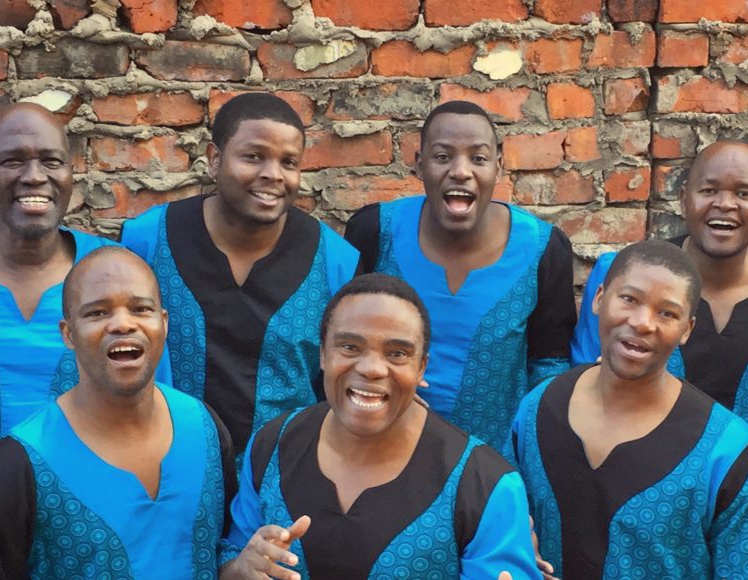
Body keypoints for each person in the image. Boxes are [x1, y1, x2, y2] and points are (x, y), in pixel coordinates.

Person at [218, 274, 540, 579]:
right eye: (349, 347)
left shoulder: (484, 485)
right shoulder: (273, 444)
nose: (371, 368)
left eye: (397, 353)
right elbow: (232, 558)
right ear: (322, 355)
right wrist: (242, 568)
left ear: (421, 367)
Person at [509, 240, 748, 579]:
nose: (643, 323)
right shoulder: (540, 409)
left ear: (687, 329)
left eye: (667, 313)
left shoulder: (724, 450)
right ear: (598, 299)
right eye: (629, 299)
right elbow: (503, 526)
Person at [0, 247, 236, 579]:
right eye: (97, 313)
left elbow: (224, 548)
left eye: (140, 308)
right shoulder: (15, 468)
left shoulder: (204, 429)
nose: (123, 324)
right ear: (68, 333)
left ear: (163, 323)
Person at [121, 93, 359, 460]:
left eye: (289, 162)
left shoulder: (335, 263)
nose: (272, 175)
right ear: (215, 160)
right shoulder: (147, 242)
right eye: (253, 156)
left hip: (286, 474)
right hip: (165, 467)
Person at [343, 101, 576, 450]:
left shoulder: (543, 249)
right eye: (442, 157)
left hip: (492, 465)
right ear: (419, 165)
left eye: (478, 159)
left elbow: (548, 364)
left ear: (498, 167)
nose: (460, 171)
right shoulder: (375, 232)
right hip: (381, 450)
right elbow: (342, 343)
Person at [571, 140, 748, 437]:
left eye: (744, 194)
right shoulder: (624, 276)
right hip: (636, 473)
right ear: (683, 199)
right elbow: (581, 374)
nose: (725, 204)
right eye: (708, 191)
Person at [0, 103, 120, 474]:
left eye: (51, 161)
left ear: (71, 172)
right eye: (13, 161)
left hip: (83, 514)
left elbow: (153, 404)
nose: (34, 176)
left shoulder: (114, 274)